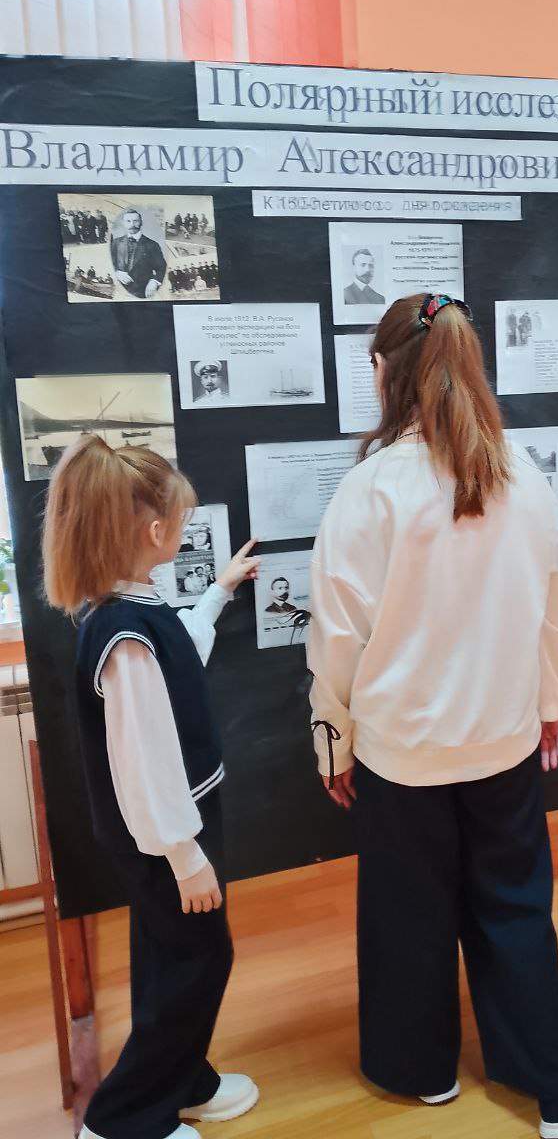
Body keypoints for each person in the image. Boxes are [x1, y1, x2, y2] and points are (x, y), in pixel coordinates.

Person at [306, 292, 558, 1139]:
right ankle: (551, 1087)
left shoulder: (369, 492)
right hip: (502, 739)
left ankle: (419, 1070)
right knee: (516, 908)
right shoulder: (523, 477)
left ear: (382, 371)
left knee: (408, 913)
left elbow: (336, 640)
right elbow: (557, 612)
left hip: (402, 752)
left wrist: (333, 744)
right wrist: (548, 703)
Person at [42, 435, 261, 1139]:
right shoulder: (124, 633)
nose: (185, 529)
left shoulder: (132, 610)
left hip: (170, 826)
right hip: (165, 835)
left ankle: (182, 1080)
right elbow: (144, 758)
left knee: (170, 956)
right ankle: (121, 1119)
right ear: (156, 530)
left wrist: (219, 593)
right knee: (200, 960)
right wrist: (184, 855)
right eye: (183, 520)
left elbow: (180, 657)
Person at [110, 207, 168, 300]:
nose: (132, 224)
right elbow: (110, 263)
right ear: (124, 223)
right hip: (120, 294)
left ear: (141, 222)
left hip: (143, 293)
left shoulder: (152, 245)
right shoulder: (115, 243)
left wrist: (154, 281)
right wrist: (117, 272)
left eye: (135, 221)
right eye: (128, 221)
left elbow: (162, 267)